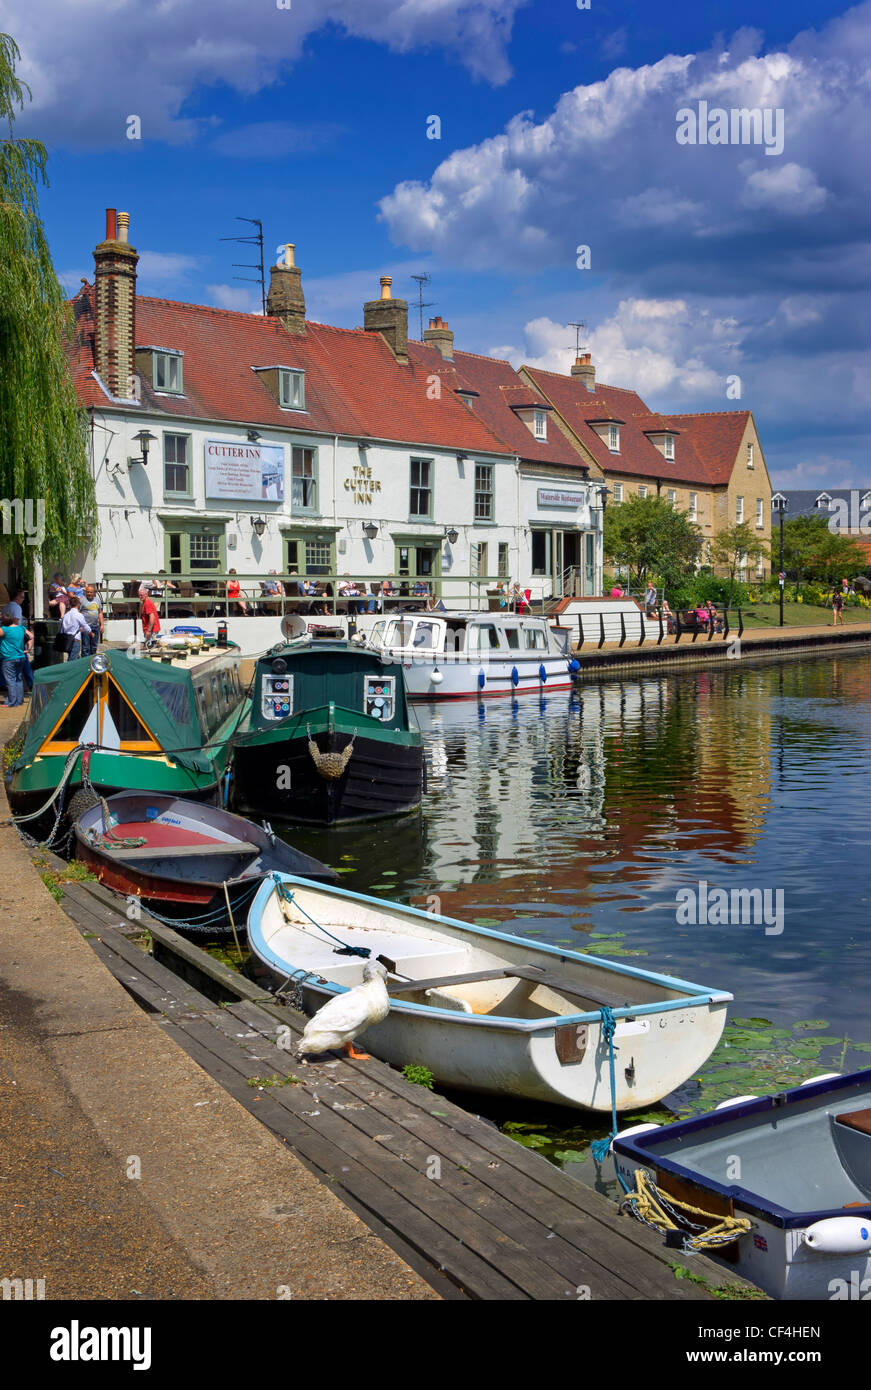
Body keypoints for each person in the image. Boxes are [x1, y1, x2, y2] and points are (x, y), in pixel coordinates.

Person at [0, 613, 33, 706]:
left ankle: (11, 702)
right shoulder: (21, 628)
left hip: (9, 658)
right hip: (21, 657)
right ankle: (19, 701)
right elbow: (31, 636)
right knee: (18, 679)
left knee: (10, 680)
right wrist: (29, 648)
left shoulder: (4, 629)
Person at [60, 596, 91, 661]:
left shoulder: (66, 615)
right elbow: (85, 626)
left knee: (75, 657)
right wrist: (90, 631)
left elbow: (61, 629)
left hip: (67, 639)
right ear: (78, 604)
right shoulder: (78, 615)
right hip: (75, 640)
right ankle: (69, 671)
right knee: (72, 660)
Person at [80, 583, 104, 655]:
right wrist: (80, 626)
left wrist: (102, 625)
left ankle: (92, 661)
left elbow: (100, 613)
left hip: (95, 626)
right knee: (85, 647)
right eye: (87, 592)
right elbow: (78, 613)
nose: (89, 593)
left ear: (94, 593)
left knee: (94, 646)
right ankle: (85, 663)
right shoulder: (82, 600)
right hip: (86, 627)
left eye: (91, 592)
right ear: (85, 592)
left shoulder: (97, 600)